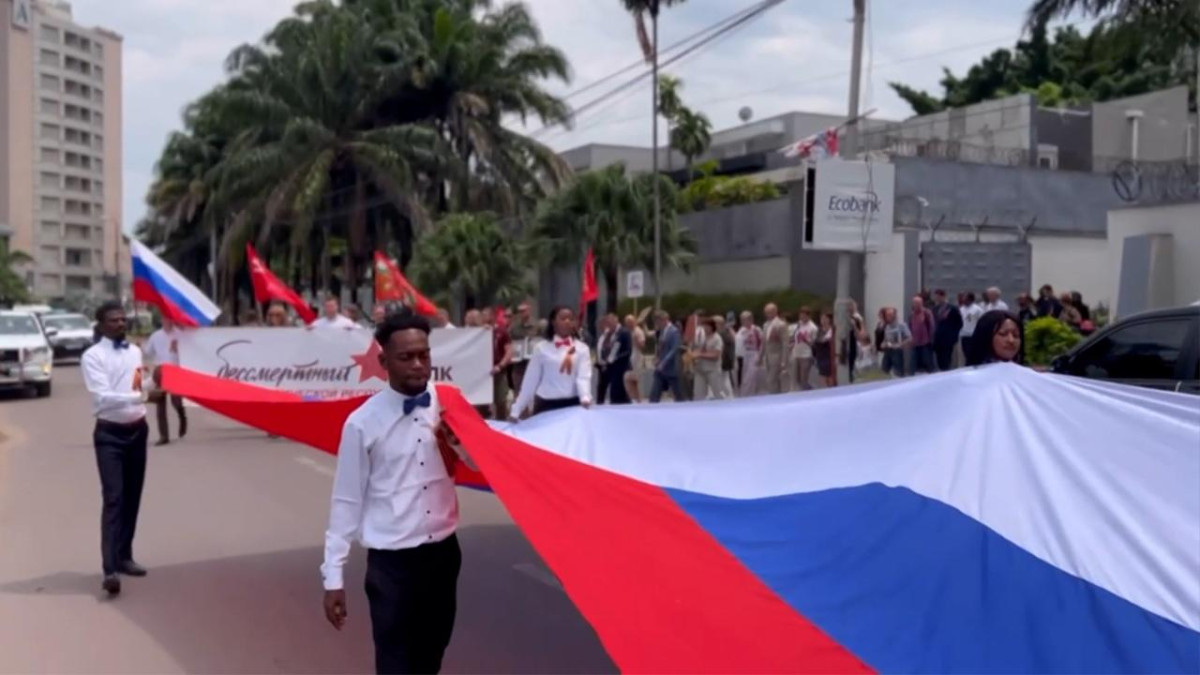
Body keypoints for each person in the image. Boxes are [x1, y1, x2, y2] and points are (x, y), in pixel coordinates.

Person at [321, 311, 463, 674]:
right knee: (395, 661)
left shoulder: (449, 404)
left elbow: (479, 464)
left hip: (443, 554)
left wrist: (458, 442)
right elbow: (346, 502)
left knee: (431, 655)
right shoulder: (361, 424)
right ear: (384, 362)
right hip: (392, 564)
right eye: (406, 357)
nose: (418, 365)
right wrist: (333, 577)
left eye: (424, 355)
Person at [81, 301, 155, 596]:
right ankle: (110, 569)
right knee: (114, 498)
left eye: (123, 319)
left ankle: (125, 556)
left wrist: (152, 381)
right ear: (101, 325)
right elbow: (103, 396)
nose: (121, 323)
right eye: (114, 320)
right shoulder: (92, 356)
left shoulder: (134, 351)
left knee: (132, 497)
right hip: (110, 434)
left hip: (137, 429)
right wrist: (140, 397)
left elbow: (136, 386)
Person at [510, 307, 593, 417]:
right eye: (563, 318)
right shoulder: (541, 348)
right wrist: (516, 410)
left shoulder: (582, 349)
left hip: (573, 404)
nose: (567, 322)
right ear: (554, 322)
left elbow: (583, 377)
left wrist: (585, 397)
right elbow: (530, 380)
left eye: (571, 319)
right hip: (547, 403)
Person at [142, 317, 187, 446]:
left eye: (169, 319)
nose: (167, 321)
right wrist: (141, 346)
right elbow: (148, 352)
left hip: (175, 371)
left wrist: (179, 348)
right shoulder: (156, 336)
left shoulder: (180, 334)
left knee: (176, 402)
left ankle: (182, 415)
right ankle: (164, 435)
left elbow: (190, 351)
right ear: (162, 320)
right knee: (160, 402)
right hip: (160, 371)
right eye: (165, 319)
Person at [480, 308, 512, 420]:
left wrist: (500, 366)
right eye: (482, 315)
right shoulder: (478, 332)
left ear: (492, 316)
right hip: (482, 373)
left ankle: (502, 422)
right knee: (481, 403)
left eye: (486, 315)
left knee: (500, 400)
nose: (483, 318)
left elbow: (508, 352)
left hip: (498, 370)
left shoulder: (501, 332)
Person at [648, 310, 684, 403]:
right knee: (654, 394)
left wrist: (663, 362)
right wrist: (657, 358)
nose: (657, 324)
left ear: (664, 320)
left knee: (678, 394)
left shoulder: (674, 331)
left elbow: (673, 349)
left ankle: (683, 407)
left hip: (671, 367)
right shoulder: (662, 331)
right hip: (660, 369)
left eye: (658, 322)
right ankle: (651, 408)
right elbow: (660, 347)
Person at [596, 313, 631, 405]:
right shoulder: (607, 334)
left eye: (611, 321)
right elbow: (603, 348)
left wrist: (614, 358)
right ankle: (600, 406)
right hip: (606, 366)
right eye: (608, 322)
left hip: (619, 367)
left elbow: (627, 351)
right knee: (601, 389)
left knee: (617, 392)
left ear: (616, 320)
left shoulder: (623, 333)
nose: (609, 324)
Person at [690, 316, 726, 400]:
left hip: (712, 369)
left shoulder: (717, 338)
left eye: (707, 326)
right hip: (700, 369)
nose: (705, 328)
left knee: (718, 392)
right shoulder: (701, 338)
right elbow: (697, 349)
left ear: (712, 327)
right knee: (698, 394)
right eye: (704, 326)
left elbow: (716, 355)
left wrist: (700, 355)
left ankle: (723, 405)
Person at [932, 289, 962, 372]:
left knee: (946, 357)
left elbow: (959, 323)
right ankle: (941, 370)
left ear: (943, 296)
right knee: (939, 358)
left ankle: (946, 371)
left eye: (938, 297)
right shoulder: (935, 309)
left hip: (948, 337)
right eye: (936, 297)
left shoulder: (952, 308)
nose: (937, 299)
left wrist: (953, 335)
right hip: (938, 337)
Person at [760, 303, 787, 394]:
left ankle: (773, 397)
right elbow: (764, 342)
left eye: (769, 312)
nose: (767, 314)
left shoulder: (781, 325)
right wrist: (760, 356)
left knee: (771, 380)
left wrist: (784, 360)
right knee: (773, 381)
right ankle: (777, 396)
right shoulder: (765, 325)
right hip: (767, 357)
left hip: (777, 356)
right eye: (766, 313)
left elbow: (785, 343)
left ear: (775, 312)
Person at [907, 295, 936, 375]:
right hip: (915, 343)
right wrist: (910, 339)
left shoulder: (927, 313)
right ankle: (912, 376)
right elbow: (909, 327)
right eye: (915, 303)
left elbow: (932, 326)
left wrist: (931, 339)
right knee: (913, 363)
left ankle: (931, 375)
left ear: (921, 303)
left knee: (927, 362)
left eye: (918, 303)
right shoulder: (912, 315)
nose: (916, 305)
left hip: (925, 342)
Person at [880, 307, 911, 378]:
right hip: (888, 351)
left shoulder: (902, 325)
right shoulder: (887, 327)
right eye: (887, 315)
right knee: (884, 371)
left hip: (897, 351)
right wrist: (883, 344)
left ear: (894, 315)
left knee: (898, 372)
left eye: (890, 315)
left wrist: (900, 344)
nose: (888, 317)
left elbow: (909, 338)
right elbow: (886, 339)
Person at [622, 315, 647, 403]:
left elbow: (642, 346)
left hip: (637, 359)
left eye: (630, 322)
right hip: (629, 360)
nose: (628, 324)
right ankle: (635, 399)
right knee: (628, 379)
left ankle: (640, 400)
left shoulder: (638, 331)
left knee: (637, 381)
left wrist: (636, 339)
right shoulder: (627, 332)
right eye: (627, 323)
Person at [738, 311, 764, 397]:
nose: (743, 322)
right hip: (745, 354)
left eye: (745, 320)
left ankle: (752, 394)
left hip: (754, 353)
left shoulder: (756, 329)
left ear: (750, 320)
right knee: (745, 376)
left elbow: (762, 343)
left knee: (752, 375)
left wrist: (760, 356)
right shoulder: (741, 330)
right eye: (742, 320)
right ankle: (745, 394)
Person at [791, 307, 817, 391]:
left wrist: (805, 339)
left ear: (808, 316)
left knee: (803, 378)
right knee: (797, 378)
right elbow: (795, 337)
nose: (802, 317)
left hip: (806, 354)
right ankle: (803, 391)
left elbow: (813, 343)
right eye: (800, 315)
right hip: (796, 353)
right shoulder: (799, 325)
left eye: (804, 316)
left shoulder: (813, 327)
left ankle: (809, 391)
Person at [714, 315, 736, 398]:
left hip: (723, 360)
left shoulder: (722, 334)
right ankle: (728, 396)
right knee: (724, 380)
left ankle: (728, 397)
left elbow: (724, 349)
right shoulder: (727, 332)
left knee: (723, 380)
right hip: (726, 360)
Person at [813, 311, 837, 388]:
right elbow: (816, 341)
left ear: (829, 319)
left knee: (830, 377)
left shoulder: (832, 330)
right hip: (821, 356)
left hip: (829, 355)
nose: (823, 320)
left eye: (825, 318)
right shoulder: (819, 330)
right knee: (823, 377)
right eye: (821, 319)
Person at [959, 292, 984, 362]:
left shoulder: (977, 309)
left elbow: (981, 321)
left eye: (965, 298)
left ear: (970, 299)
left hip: (973, 334)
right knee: (965, 353)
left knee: (972, 353)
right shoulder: (961, 309)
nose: (963, 300)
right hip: (964, 334)